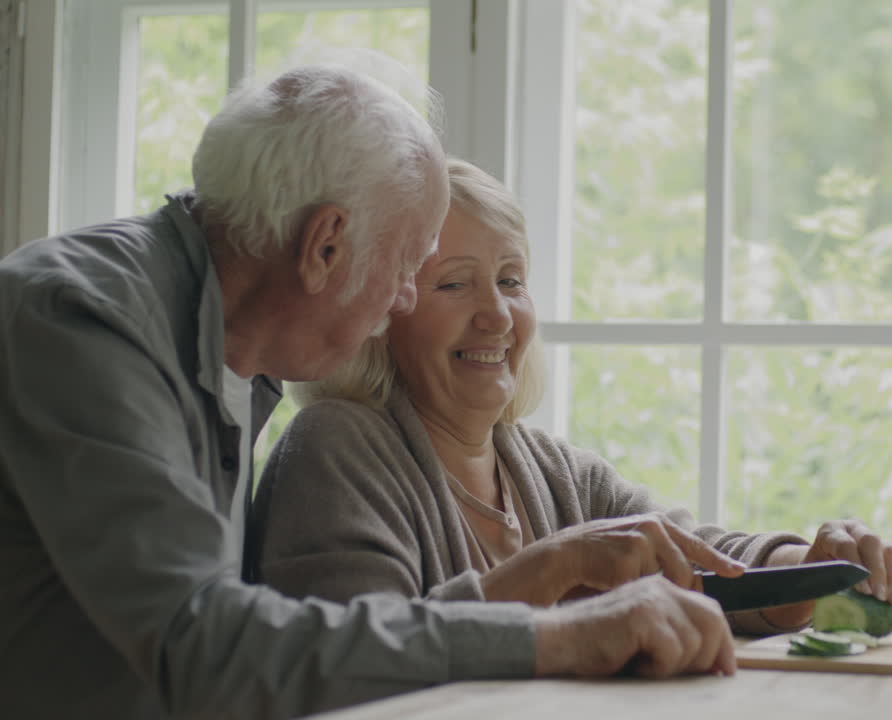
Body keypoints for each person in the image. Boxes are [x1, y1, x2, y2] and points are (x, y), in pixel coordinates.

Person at [0, 62, 742, 720]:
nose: (404, 301)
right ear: (325, 246)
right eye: (409, 266)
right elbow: (206, 645)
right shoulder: (86, 320)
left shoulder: (238, 349)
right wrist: (553, 634)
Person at [250, 158, 892, 634]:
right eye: (454, 285)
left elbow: (698, 559)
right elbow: (349, 663)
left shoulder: (552, 470)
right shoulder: (335, 445)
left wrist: (811, 564)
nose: (499, 316)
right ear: (384, 310)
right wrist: (546, 574)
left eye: (511, 280)